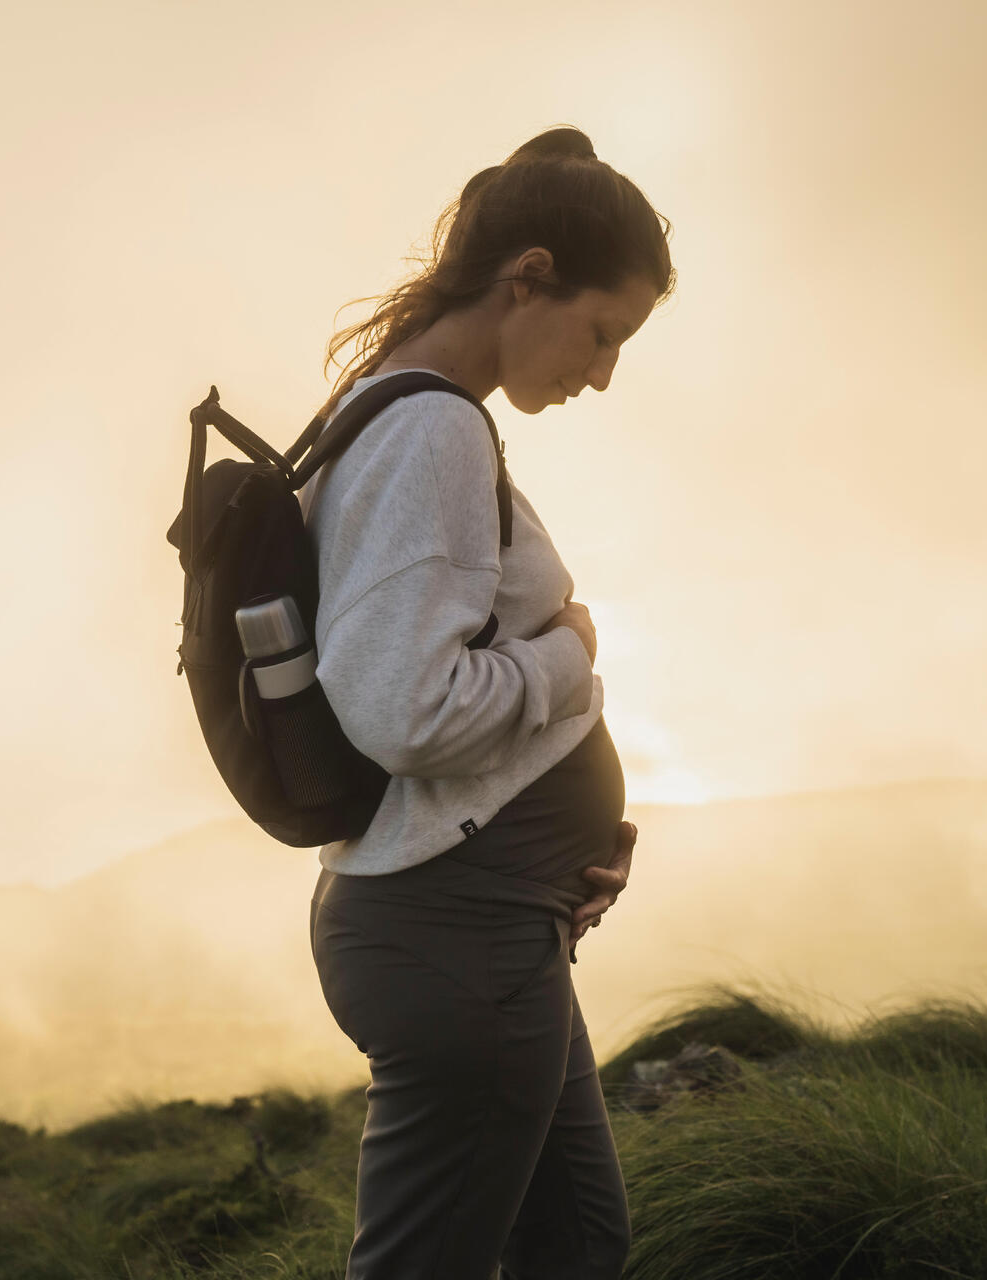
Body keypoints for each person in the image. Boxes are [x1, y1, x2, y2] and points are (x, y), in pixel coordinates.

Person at [299, 124, 675, 1279]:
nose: (602, 371)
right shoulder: (432, 430)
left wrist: (553, 853)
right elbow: (403, 710)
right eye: (602, 332)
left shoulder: (392, 407)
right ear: (530, 277)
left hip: (488, 922)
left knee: (577, 1245)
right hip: (454, 937)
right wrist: (569, 656)